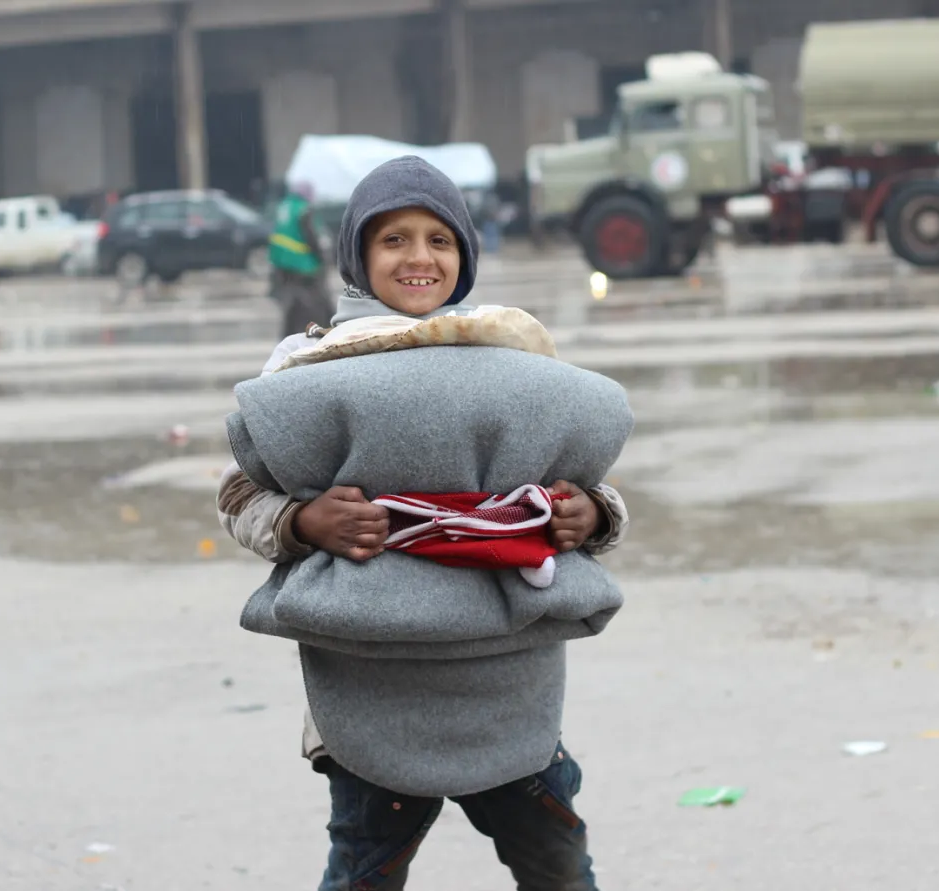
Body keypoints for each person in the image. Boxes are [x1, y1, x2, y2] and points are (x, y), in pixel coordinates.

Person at [217, 157, 631, 890]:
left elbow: (590, 483)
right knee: (363, 873)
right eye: (394, 240)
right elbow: (240, 498)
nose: (419, 257)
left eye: (440, 240)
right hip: (369, 689)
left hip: (502, 681)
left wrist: (590, 513)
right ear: (357, 256)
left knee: (559, 869)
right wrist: (304, 520)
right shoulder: (305, 367)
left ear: (464, 258)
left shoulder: (510, 357)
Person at [268, 181, 334, 337]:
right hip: (303, 263)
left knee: (293, 303)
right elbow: (312, 236)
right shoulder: (303, 209)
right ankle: (322, 331)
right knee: (316, 301)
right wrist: (322, 258)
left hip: (282, 262)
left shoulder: (284, 206)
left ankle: (289, 334)